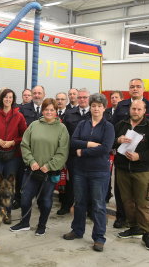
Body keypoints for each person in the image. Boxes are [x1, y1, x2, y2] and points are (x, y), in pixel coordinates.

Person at [62, 93, 114, 252]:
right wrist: (90, 144)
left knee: (98, 205)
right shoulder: (83, 124)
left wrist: (82, 152)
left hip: (99, 172)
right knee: (80, 202)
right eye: (93, 106)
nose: (96, 108)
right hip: (80, 171)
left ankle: (99, 238)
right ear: (90, 107)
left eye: (99, 106)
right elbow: (73, 141)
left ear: (104, 108)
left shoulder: (108, 127)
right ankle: (77, 230)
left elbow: (105, 149)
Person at [11, 98, 69, 235]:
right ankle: (24, 223)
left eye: (52, 110)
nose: (49, 112)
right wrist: (31, 161)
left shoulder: (62, 129)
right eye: (46, 109)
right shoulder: (34, 125)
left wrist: (49, 166)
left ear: (56, 111)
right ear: (42, 110)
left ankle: (41, 225)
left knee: (45, 201)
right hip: (31, 170)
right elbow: (25, 145)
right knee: (25, 198)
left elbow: (63, 151)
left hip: (48, 173)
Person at [112, 79, 149, 229]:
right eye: (132, 87)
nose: (135, 89)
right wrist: (118, 140)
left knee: (142, 202)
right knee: (124, 199)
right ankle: (126, 221)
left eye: (138, 86)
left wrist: (140, 155)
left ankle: (146, 231)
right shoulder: (121, 107)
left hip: (142, 167)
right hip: (122, 165)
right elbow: (112, 132)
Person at [0, 88, 27, 224]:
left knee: (9, 186)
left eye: (10, 97)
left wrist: (13, 142)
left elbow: (24, 135)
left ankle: (7, 213)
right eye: (5, 97)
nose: (8, 100)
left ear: (13, 100)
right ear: (1, 99)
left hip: (13, 155)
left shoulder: (19, 116)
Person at [58, 88, 91, 216]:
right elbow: (64, 136)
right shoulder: (69, 114)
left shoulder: (94, 113)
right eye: (80, 97)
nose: (82, 100)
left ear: (89, 99)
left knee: (89, 183)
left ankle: (90, 209)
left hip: (89, 155)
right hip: (72, 155)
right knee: (70, 182)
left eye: (84, 97)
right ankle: (66, 205)